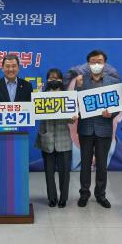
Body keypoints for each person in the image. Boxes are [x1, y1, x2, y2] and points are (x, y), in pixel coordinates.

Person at [74, 49, 120, 208]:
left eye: (99, 61)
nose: (96, 64)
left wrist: (112, 113)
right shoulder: (81, 80)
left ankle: (101, 195)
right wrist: (78, 87)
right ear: (88, 64)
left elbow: (118, 104)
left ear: (104, 63)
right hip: (85, 128)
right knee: (85, 163)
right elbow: (75, 103)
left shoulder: (113, 82)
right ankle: (84, 193)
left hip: (104, 128)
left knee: (102, 165)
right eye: (93, 62)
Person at [34, 69, 77, 208]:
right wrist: (37, 94)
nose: (54, 80)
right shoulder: (40, 95)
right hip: (47, 138)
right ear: (47, 80)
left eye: (57, 78)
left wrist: (73, 118)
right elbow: (35, 114)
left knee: (65, 172)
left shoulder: (68, 96)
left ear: (61, 80)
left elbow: (71, 119)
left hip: (63, 139)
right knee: (49, 172)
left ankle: (63, 198)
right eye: (51, 78)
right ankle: (52, 198)